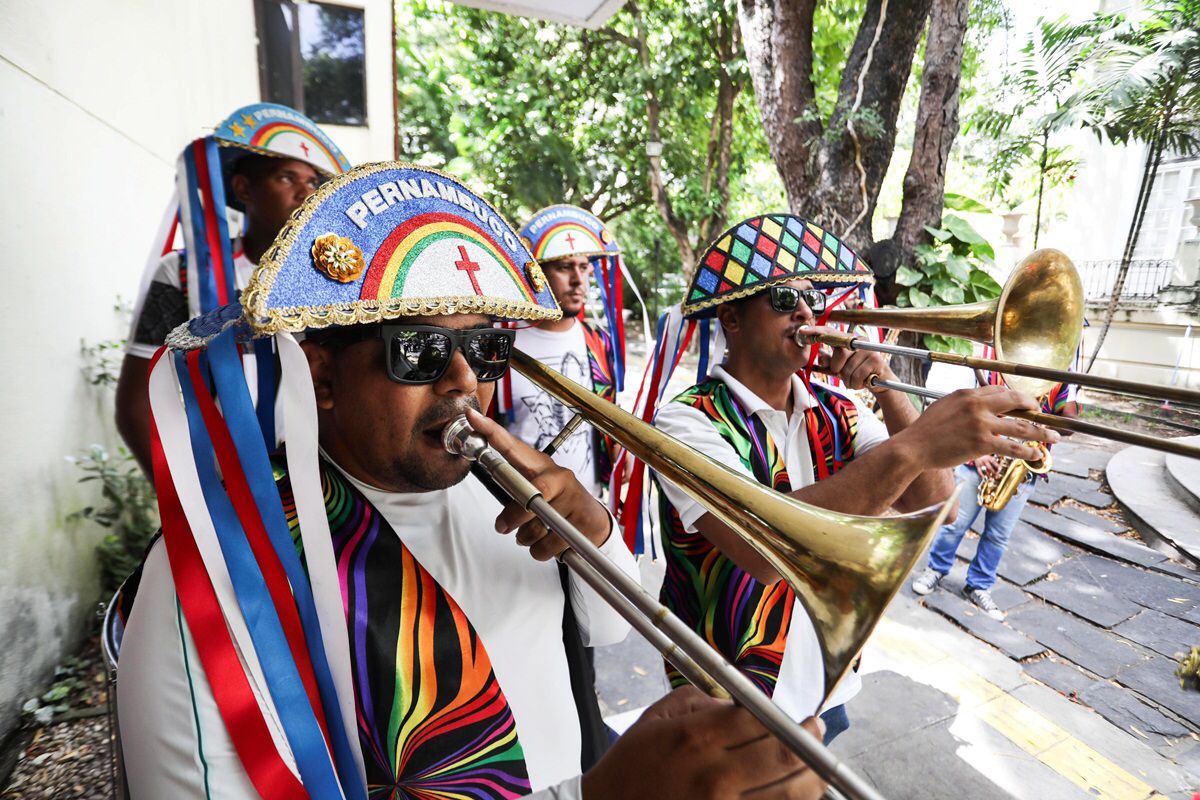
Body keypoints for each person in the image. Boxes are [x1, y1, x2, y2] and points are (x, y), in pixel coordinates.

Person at [112, 165, 831, 799]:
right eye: (420, 350)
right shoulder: (213, 581)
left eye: (485, 348)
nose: (464, 382)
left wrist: (592, 523)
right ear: (323, 377)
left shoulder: (505, 486)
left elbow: (610, 632)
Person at [646, 214, 1058, 744]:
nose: (805, 312)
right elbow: (763, 550)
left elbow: (934, 505)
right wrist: (918, 443)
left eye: (809, 300)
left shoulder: (837, 409)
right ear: (731, 317)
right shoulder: (685, 420)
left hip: (828, 682)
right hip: (729, 692)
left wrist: (887, 386)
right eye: (783, 299)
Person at [115, 102, 349, 475]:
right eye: (286, 178)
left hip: (332, 488)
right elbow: (136, 403)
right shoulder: (185, 273)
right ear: (244, 188)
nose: (306, 193)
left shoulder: (343, 281)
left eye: (313, 183)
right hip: (225, 487)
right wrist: (186, 499)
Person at [911, 367, 1081, 620]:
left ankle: (979, 585)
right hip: (978, 458)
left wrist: (1072, 398)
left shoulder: (1059, 376)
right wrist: (978, 454)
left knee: (999, 535)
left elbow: (1069, 424)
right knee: (955, 523)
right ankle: (935, 569)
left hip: (1023, 466)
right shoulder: (992, 363)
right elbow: (965, 412)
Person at [494, 205, 634, 499]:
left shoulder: (598, 341)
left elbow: (608, 415)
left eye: (584, 268)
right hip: (522, 506)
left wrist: (620, 448)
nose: (578, 280)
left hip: (590, 505)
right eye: (564, 267)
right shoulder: (501, 342)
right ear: (538, 274)